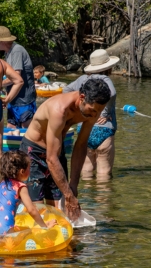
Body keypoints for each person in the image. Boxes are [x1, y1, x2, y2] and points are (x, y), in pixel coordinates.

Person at [20, 78, 111, 221]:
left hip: (57, 150)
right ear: (82, 98)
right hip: (33, 153)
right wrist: (68, 195)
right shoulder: (59, 109)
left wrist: (73, 186)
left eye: (98, 112)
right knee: (37, 213)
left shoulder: (93, 108)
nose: (95, 115)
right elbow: (51, 158)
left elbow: (81, 145)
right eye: (93, 110)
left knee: (61, 213)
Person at [63, 49, 119, 178]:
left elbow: (66, 90)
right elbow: (112, 93)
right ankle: (102, 197)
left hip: (84, 128)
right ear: (108, 67)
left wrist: (77, 110)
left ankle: (87, 197)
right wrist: (104, 114)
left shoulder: (82, 79)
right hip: (104, 130)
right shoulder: (104, 78)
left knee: (86, 170)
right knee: (104, 174)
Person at [0, 150, 57, 235]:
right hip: (5, 231)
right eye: (29, 167)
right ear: (22, 171)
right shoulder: (20, 186)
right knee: (28, 234)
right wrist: (44, 227)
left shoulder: (1, 185)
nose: (30, 170)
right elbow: (31, 210)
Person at [0, 26, 37, 129]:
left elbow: (16, 77)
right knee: (11, 126)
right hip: (13, 98)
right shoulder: (8, 52)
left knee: (26, 127)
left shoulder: (17, 51)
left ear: (2, 41)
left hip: (24, 100)